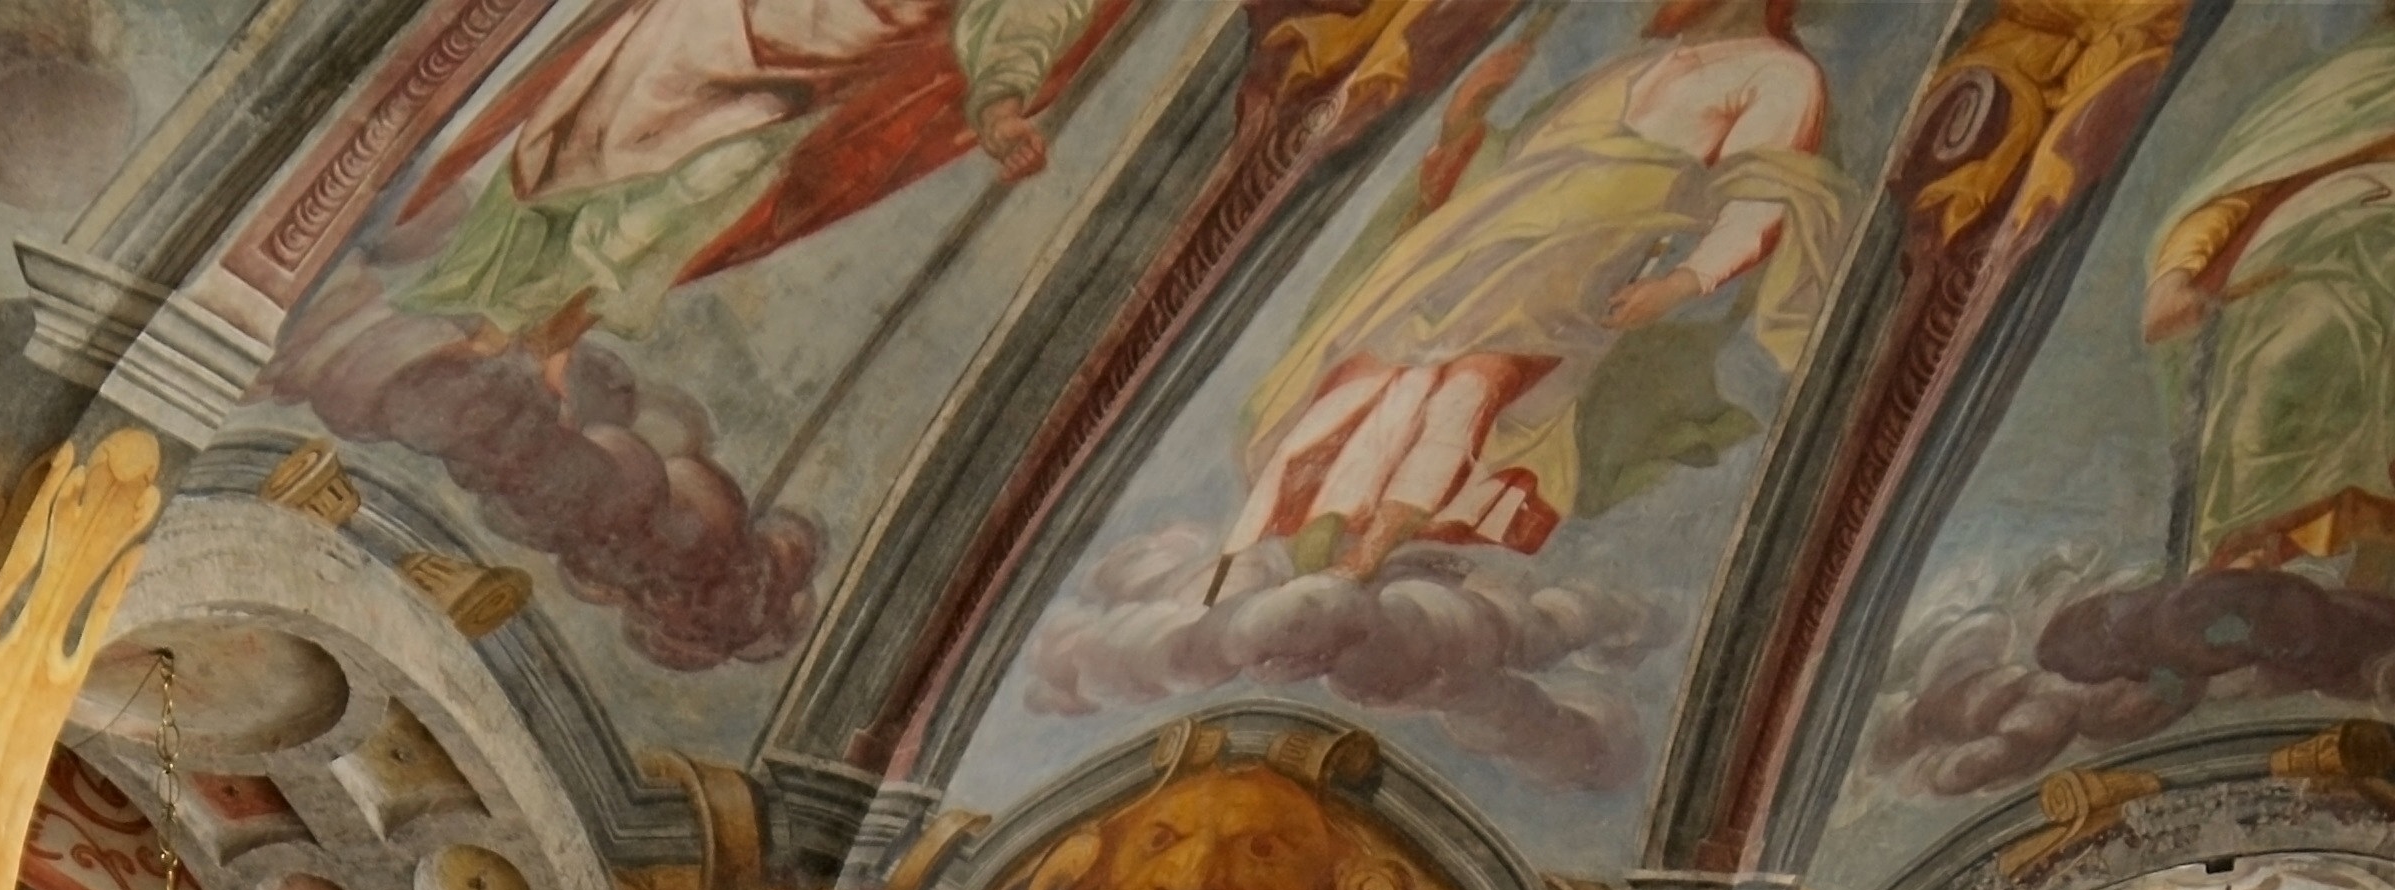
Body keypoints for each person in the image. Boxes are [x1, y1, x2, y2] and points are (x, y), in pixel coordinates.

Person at [1225, 0, 1842, 578]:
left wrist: (1684, 280)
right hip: (1475, 245)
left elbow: (1764, 195)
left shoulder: (1778, 75)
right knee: (1370, 378)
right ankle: (1275, 542)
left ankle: (1367, 557)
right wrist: (1467, 113)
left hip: (1579, 266)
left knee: (1469, 386)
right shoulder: (1637, 66)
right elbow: (1509, 165)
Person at [384, 0, 1129, 363]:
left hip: (826, 67)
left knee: (708, 183)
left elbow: (1032, 13)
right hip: (729, 13)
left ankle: (552, 313)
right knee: (588, 138)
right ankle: (477, 298)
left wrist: (998, 102)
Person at [2143, 10, 2395, 578]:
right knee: (2297, 351)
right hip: (2315, 260)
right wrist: (2178, 274)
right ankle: (2252, 559)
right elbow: (2238, 185)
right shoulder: (2355, 79)